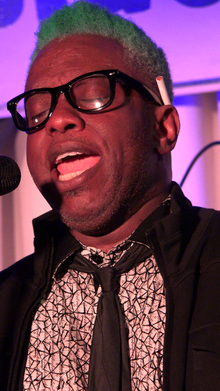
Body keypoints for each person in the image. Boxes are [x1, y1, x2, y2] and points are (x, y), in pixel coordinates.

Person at [1, 1, 220, 390]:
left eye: (92, 93)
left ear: (163, 129)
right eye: (37, 111)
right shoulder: (6, 302)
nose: (57, 119)